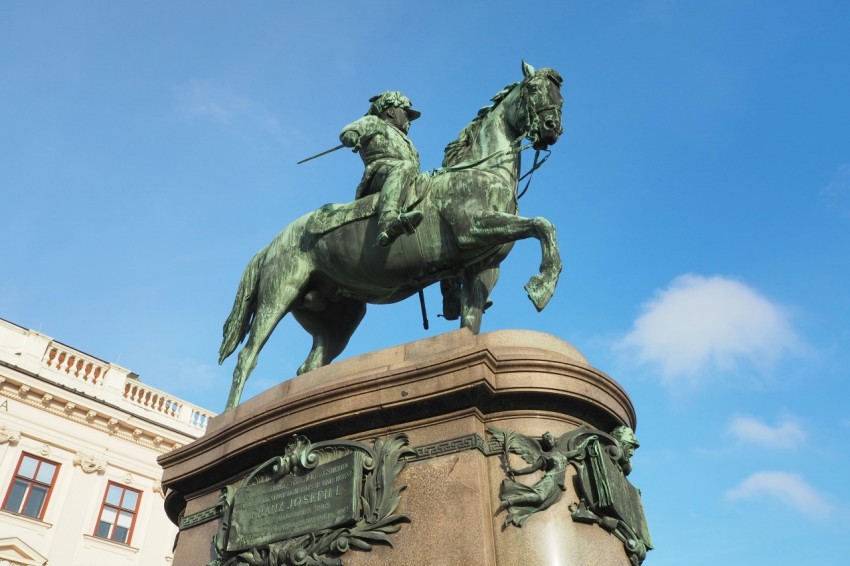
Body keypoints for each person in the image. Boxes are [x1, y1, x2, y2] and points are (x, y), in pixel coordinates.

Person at [340, 91, 424, 247]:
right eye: (406, 114)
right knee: (405, 165)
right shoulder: (375, 122)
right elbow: (349, 130)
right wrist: (351, 136)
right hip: (378, 173)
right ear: (391, 111)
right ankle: (388, 221)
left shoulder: (408, 142)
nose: (409, 120)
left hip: (403, 175)